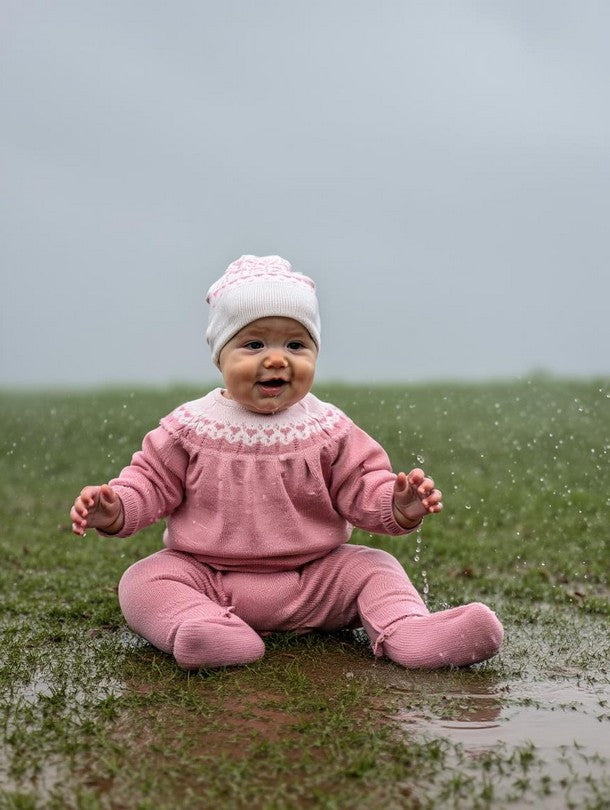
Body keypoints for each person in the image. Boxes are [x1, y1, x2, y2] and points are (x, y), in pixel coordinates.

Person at [70, 255, 503, 670]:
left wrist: (396, 503)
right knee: (143, 581)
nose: (276, 358)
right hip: (210, 577)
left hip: (314, 578)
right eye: (253, 343)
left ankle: (409, 631)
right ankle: (201, 629)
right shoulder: (189, 428)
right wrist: (116, 507)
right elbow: (149, 482)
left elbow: (361, 484)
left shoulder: (329, 428)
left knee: (375, 567)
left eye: (296, 344)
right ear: (220, 355)